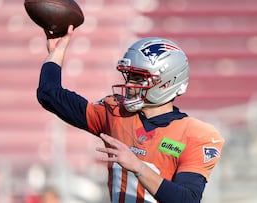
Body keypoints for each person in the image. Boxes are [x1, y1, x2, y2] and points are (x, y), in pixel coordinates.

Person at [37, 25, 224, 203]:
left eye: (139, 78)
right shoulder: (116, 113)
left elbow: (188, 200)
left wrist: (138, 167)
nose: (130, 85)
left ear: (166, 84)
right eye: (130, 76)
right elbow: (49, 95)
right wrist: (56, 53)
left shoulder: (196, 135)